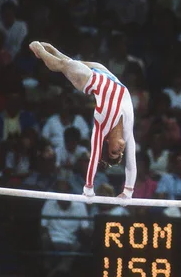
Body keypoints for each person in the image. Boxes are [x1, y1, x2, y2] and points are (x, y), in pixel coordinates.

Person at [29, 41, 136, 198]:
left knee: (62, 65)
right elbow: (131, 162)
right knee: (69, 61)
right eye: (120, 153)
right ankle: (53, 50)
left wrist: (89, 187)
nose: (120, 151)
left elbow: (93, 157)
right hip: (107, 75)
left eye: (114, 152)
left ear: (107, 144)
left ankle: (39, 50)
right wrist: (128, 191)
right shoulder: (128, 131)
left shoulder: (101, 124)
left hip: (90, 80)